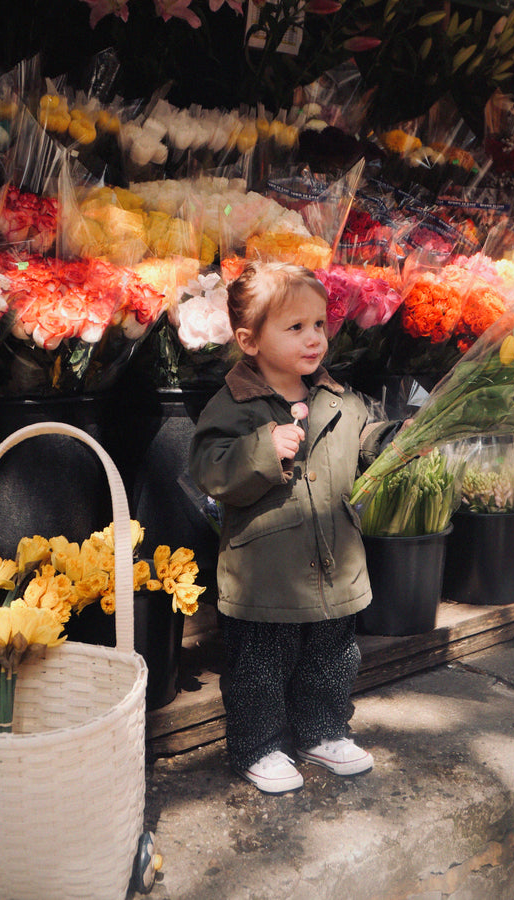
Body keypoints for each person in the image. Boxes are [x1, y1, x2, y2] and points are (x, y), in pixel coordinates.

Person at [188, 261, 399, 794]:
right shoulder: (233, 406)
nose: (314, 338)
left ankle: (322, 730)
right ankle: (258, 745)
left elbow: (361, 439)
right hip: (266, 573)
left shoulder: (336, 397)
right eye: (296, 327)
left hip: (335, 562)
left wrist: (392, 441)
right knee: (260, 667)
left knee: (332, 657)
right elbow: (211, 469)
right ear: (249, 340)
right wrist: (262, 448)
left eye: (320, 325)